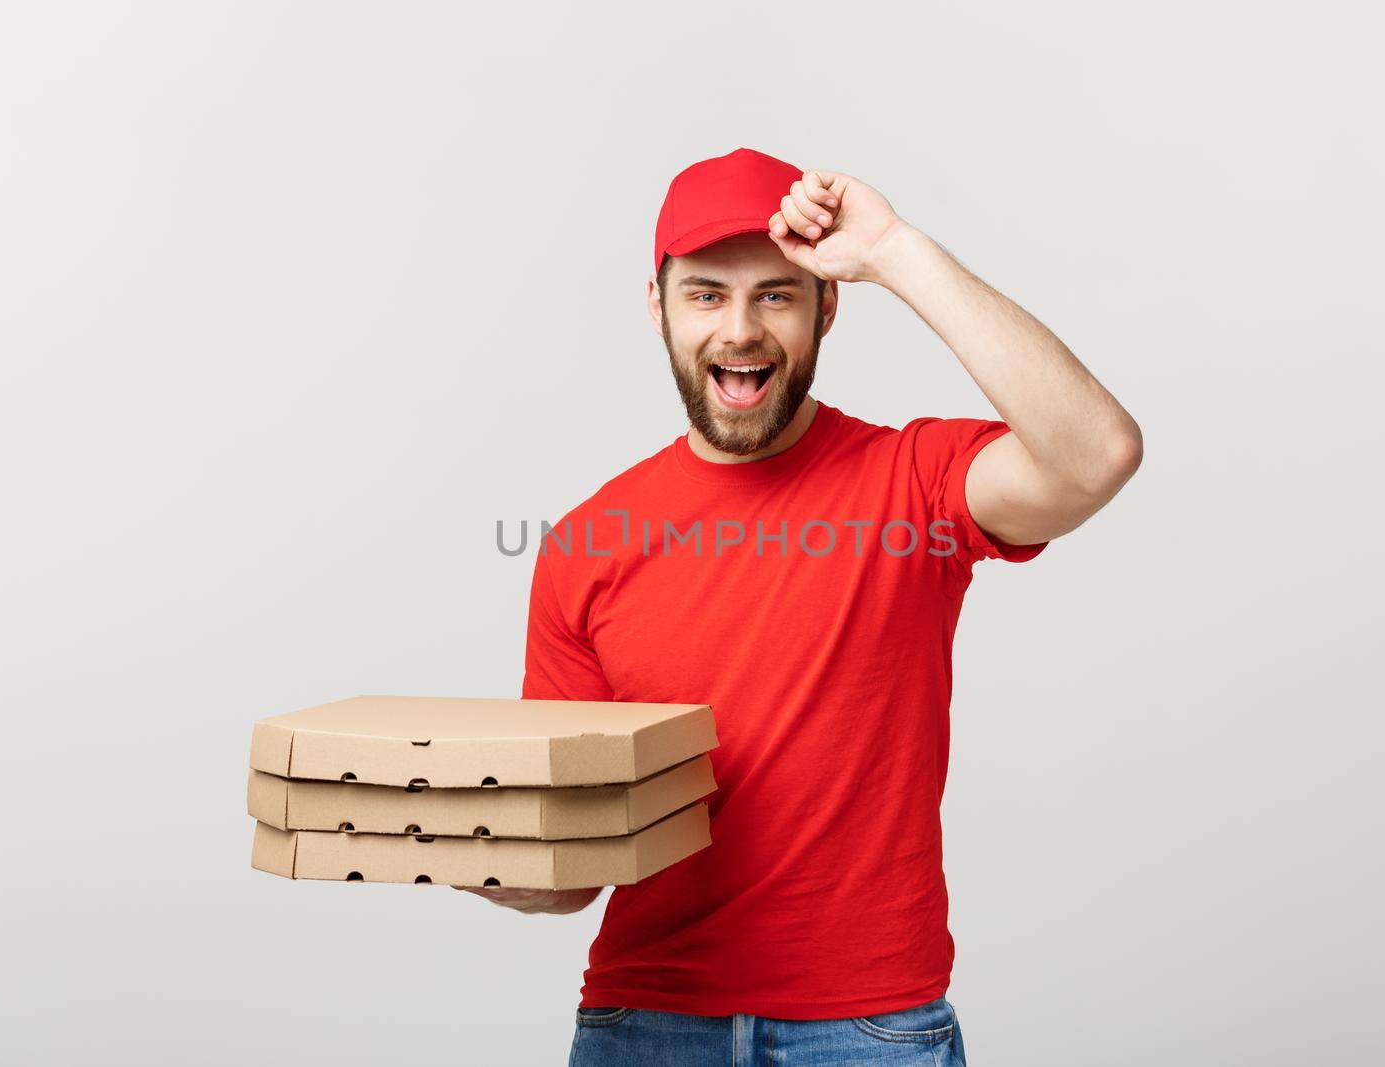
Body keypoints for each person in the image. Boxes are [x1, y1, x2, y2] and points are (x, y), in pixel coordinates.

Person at [461, 147, 1143, 1065]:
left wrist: (895, 247)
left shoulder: (916, 487)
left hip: (871, 1030)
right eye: (706, 294)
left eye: (776, 294)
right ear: (657, 306)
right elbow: (576, 864)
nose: (739, 330)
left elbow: (1096, 453)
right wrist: (479, 852)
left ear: (828, 305)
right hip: (645, 1021)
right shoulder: (587, 541)